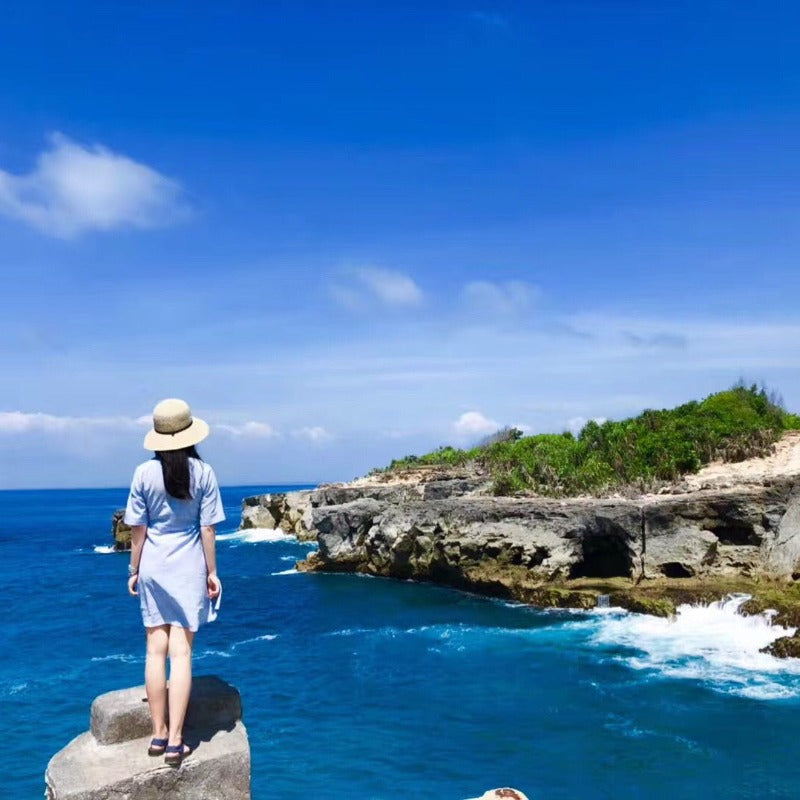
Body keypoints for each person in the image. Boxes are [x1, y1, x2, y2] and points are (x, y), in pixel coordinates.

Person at [124, 398, 225, 767]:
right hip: (188, 568)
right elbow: (208, 528)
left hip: (153, 566)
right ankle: (177, 741)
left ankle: (158, 733)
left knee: (155, 650)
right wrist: (212, 573)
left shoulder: (142, 474)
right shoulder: (204, 473)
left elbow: (138, 528)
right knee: (181, 654)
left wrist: (133, 569)